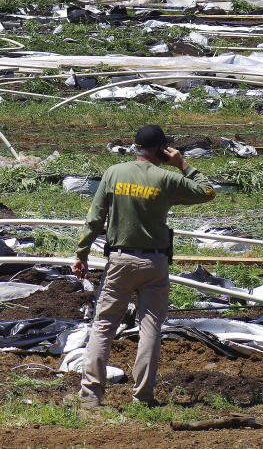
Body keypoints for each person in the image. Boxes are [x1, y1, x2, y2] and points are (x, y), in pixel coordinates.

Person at [71, 124, 215, 409]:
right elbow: (207, 192)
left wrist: (82, 253)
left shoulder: (114, 173)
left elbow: (95, 218)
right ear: (162, 149)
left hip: (120, 262)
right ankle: (143, 397)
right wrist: (182, 164)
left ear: (136, 147)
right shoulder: (166, 178)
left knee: (103, 326)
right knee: (150, 328)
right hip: (155, 263)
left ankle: (91, 395)